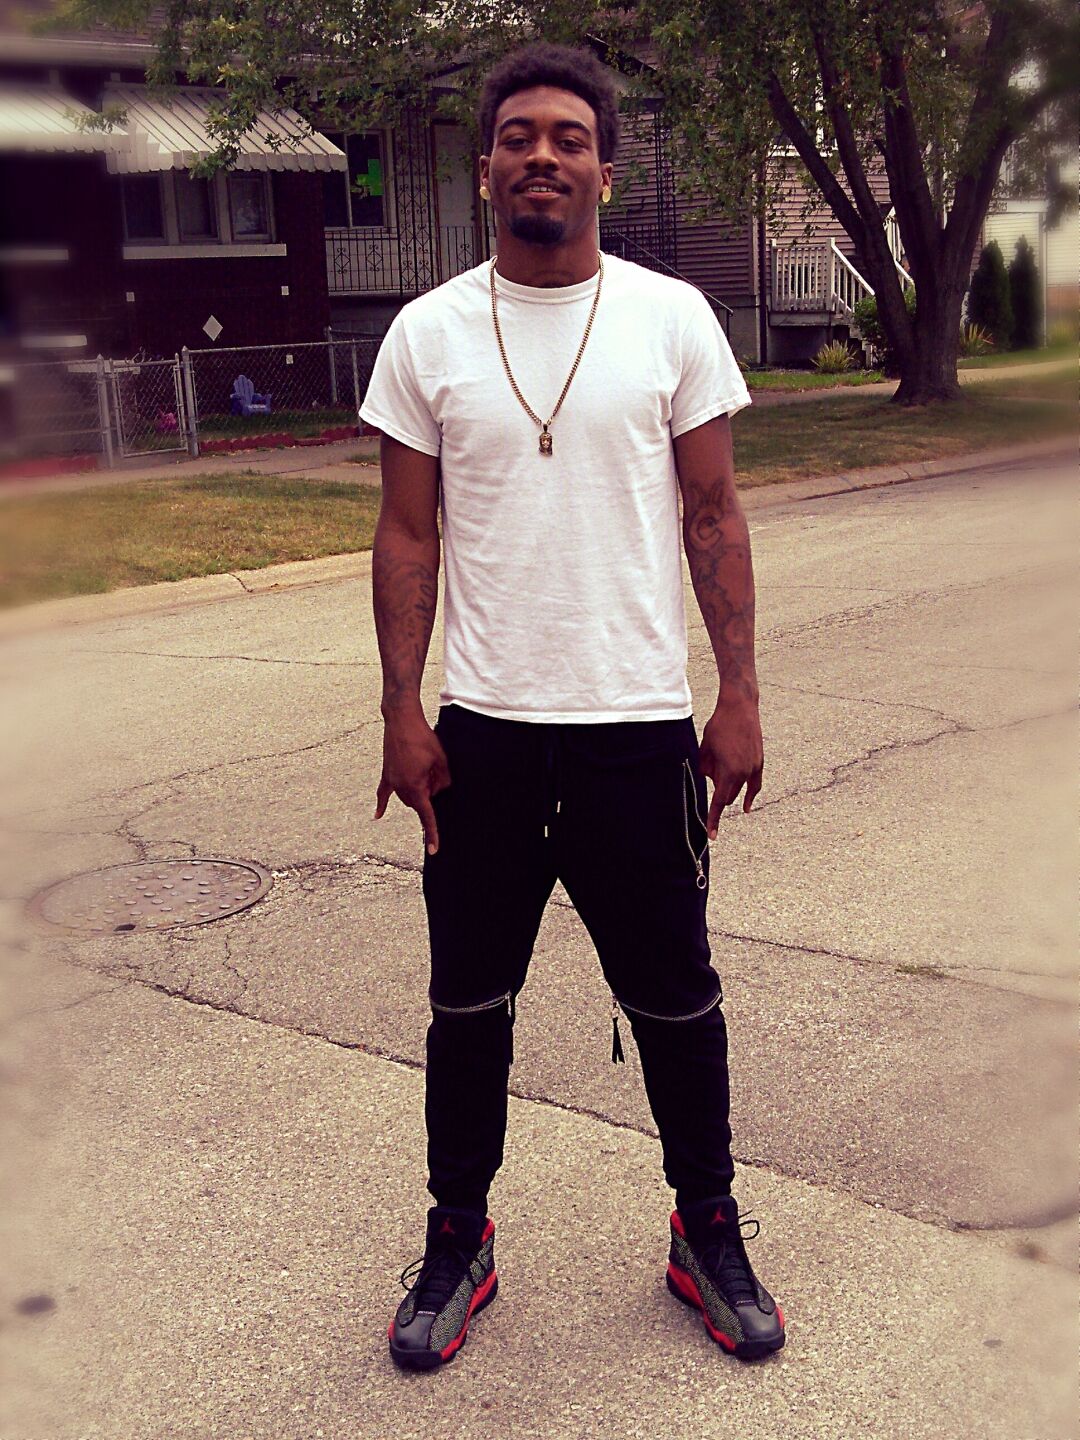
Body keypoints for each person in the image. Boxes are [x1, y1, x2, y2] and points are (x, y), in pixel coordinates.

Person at [362, 41, 785, 1371]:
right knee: (467, 1006)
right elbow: (408, 534)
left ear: (605, 168)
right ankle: (458, 1239)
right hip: (482, 734)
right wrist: (401, 712)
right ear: (486, 167)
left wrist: (737, 696)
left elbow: (714, 513)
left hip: (635, 730)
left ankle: (706, 1230)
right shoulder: (428, 332)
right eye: (517, 136)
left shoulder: (671, 319)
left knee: (676, 1003)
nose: (541, 155)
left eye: (568, 137)